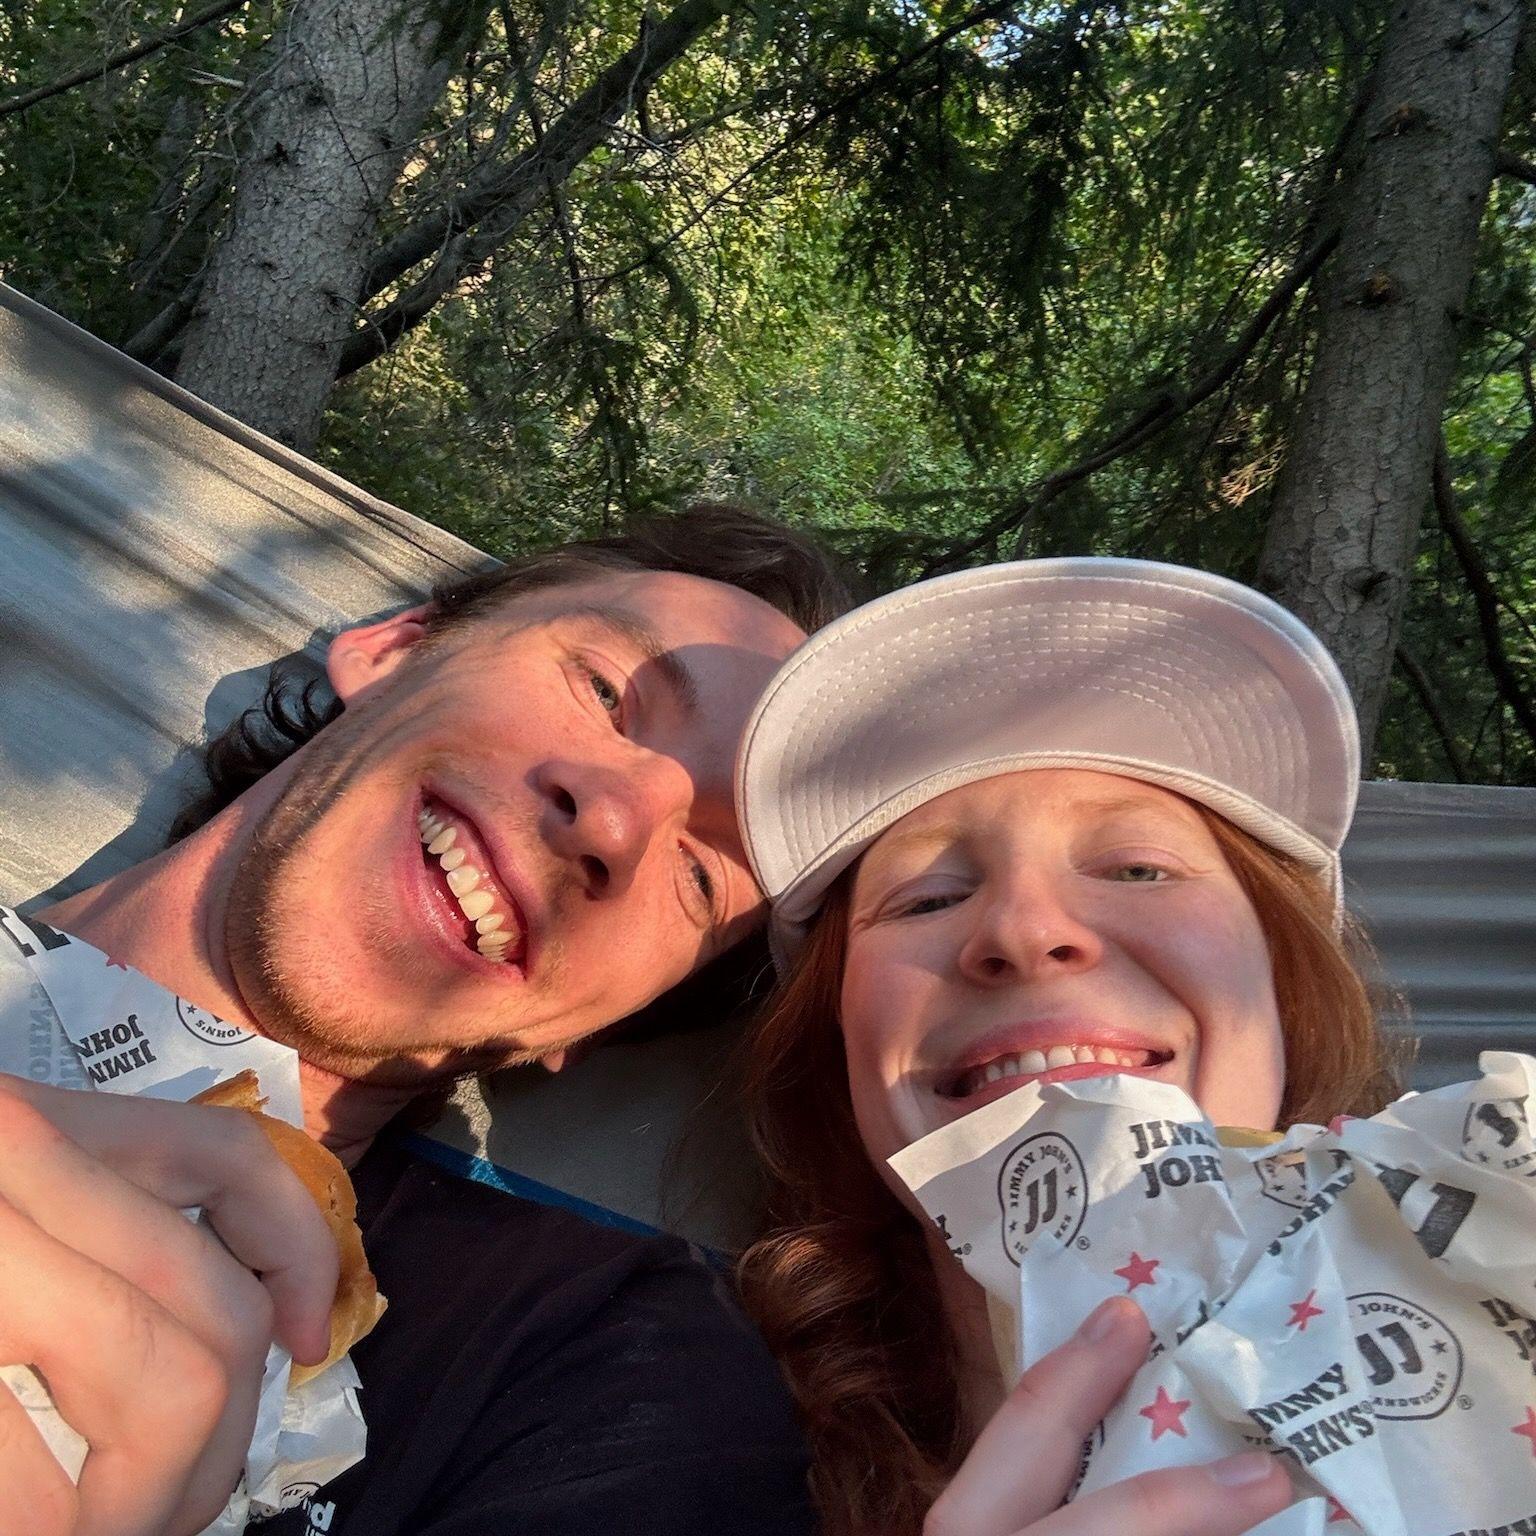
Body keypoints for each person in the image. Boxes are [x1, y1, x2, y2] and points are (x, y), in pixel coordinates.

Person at [1, 503, 849, 1536]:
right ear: (395, 649)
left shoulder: (599, 1368)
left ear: (599, 1031)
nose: (619, 820)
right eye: (604, 692)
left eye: (703, 876)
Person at [731, 557, 1408, 1536]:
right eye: (929, 897)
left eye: (1138, 868)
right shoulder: (642, 1440)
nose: (1022, 930)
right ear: (835, 1048)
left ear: (1287, 989)